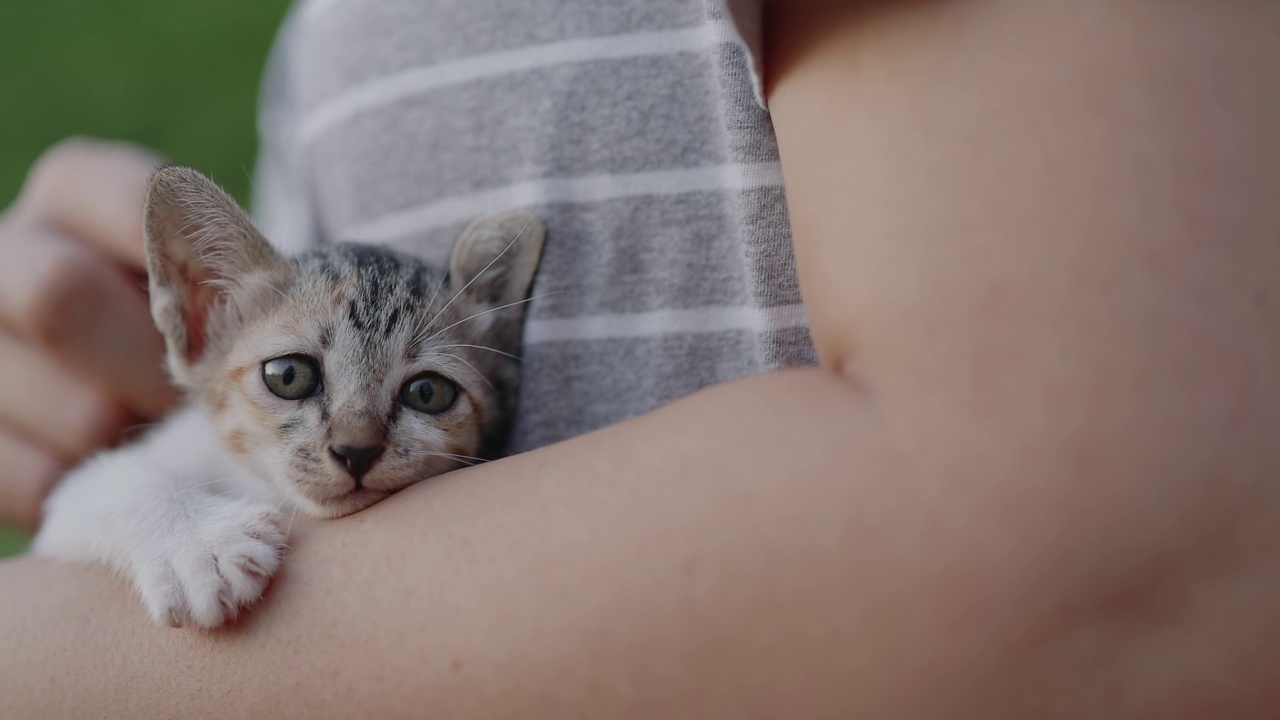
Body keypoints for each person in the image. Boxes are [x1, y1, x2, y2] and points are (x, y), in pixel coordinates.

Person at [3, 0, 1279, 715]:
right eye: (298, 385)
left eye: (422, 400)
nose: (350, 441)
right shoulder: (326, 36)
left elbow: (1110, 530)